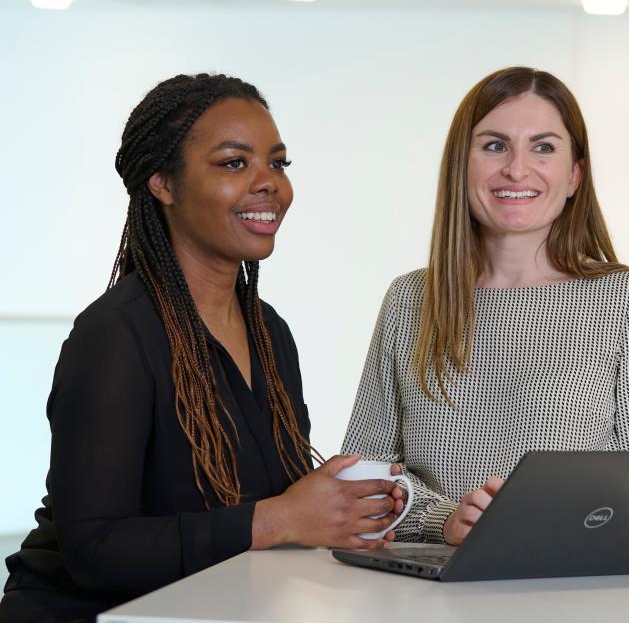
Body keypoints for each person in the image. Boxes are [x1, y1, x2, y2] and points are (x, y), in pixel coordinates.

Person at [0, 74, 405, 623]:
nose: (269, 184)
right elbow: (94, 550)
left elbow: (266, 505)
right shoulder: (115, 336)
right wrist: (280, 519)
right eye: (234, 163)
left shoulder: (268, 332)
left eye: (278, 163)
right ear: (162, 182)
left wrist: (338, 507)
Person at [342, 66, 629, 546]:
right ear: (462, 165)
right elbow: (363, 477)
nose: (517, 169)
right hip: (424, 591)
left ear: (574, 175)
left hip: (569, 586)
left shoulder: (627, 302)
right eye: (495, 145)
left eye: (543, 147)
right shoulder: (408, 300)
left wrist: (535, 524)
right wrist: (444, 519)